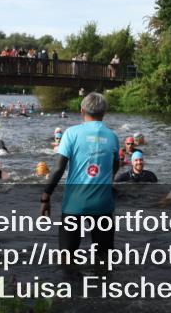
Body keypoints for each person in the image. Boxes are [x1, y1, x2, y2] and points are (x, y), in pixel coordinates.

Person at [40, 92, 120, 253]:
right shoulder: (113, 137)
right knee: (104, 257)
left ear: (82, 110)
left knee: (67, 256)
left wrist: (46, 195)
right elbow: (115, 166)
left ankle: (69, 277)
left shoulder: (71, 133)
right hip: (102, 204)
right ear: (104, 113)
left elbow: (58, 168)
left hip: (74, 204)